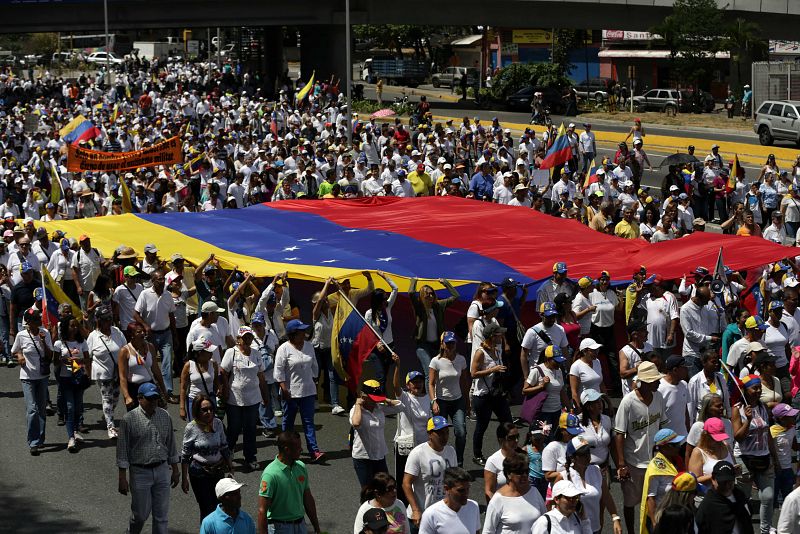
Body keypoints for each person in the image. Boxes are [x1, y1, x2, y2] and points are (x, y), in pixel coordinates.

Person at [116, 382, 180, 534]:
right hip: (140, 472)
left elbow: (171, 444)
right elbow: (122, 450)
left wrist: (175, 470)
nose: (153, 402)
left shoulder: (165, 416)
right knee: (140, 515)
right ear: (140, 398)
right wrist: (122, 478)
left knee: (161, 516)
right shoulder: (129, 419)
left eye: (156, 398)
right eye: (150, 399)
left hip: (162, 470)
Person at [613, 361, 668, 534]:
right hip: (634, 462)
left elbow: (663, 426)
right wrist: (621, 464)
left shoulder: (658, 397)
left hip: (655, 462)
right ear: (645, 382)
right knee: (630, 502)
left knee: (655, 501)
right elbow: (619, 434)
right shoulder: (628, 402)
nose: (659, 382)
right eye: (655, 380)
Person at [731, 374, 778, 534]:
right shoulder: (737, 409)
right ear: (745, 390)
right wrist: (748, 420)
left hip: (764, 457)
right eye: (754, 388)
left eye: (759, 388)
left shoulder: (763, 407)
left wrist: (775, 457)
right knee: (743, 499)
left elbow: (768, 434)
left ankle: (765, 530)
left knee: (768, 496)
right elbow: (737, 436)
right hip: (744, 458)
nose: (758, 391)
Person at [274, 319, 324, 463]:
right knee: (288, 424)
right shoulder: (283, 349)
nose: (304, 333)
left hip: (307, 391)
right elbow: (278, 372)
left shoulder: (309, 346)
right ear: (293, 334)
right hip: (290, 393)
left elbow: (314, 366)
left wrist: (314, 380)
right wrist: (284, 389)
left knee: (309, 423)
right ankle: (285, 450)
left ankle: (314, 451)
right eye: (301, 331)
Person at [221, 326, 270, 471]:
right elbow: (223, 371)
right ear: (238, 339)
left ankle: (250, 457)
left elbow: (261, 376)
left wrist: (265, 395)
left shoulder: (256, 353)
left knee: (250, 429)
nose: (247, 339)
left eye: (249, 337)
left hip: (253, 399)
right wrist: (224, 389)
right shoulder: (231, 353)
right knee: (234, 428)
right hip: (235, 398)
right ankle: (228, 453)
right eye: (245, 337)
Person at [257, 430, 322, 534]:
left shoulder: (301, 467)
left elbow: (307, 498)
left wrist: (317, 528)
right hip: (280, 528)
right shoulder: (270, 474)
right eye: (298, 448)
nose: (301, 449)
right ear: (287, 450)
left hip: (301, 525)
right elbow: (262, 510)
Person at [182, 393, 233, 521]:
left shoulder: (218, 423)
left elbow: (224, 446)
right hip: (199, 474)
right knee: (207, 509)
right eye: (204, 410)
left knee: (220, 506)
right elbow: (185, 455)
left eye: (211, 409)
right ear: (197, 411)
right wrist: (184, 478)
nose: (209, 412)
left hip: (218, 471)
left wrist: (230, 467)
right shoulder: (191, 428)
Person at [403, 416, 458, 529]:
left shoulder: (451, 451)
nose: (445, 436)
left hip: (443, 515)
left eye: (447, 432)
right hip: (422, 516)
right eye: (440, 433)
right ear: (429, 434)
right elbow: (406, 484)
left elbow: (455, 480)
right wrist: (415, 510)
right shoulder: (418, 453)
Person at [133, 269, 178, 403]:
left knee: (167, 364)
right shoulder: (145, 294)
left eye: (163, 279)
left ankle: (167, 392)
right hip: (150, 336)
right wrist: (145, 326)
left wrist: (175, 336)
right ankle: (150, 390)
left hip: (166, 334)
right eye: (159, 279)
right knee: (150, 365)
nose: (162, 281)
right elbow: (135, 314)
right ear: (152, 280)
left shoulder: (168, 295)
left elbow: (171, 315)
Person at [351, 378, 404, 488]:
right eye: (372, 398)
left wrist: (386, 400)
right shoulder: (356, 410)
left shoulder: (380, 408)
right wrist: (357, 405)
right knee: (368, 491)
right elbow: (356, 423)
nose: (375, 401)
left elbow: (400, 406)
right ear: (363, 396)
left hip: (380, 455)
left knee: (385, 488)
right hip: (363, 458)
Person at [471, 323, 512, 465]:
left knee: (507, 423)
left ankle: (508, 450)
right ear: (492, 337)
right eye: (499, 334)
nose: (502, 336)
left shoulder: (497, 350)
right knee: (482, 426)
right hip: (483, 396)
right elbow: (473, 373)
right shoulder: (480, 352)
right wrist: (492, 369)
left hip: (497, 394)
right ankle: (477, 454)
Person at [14, 307, 53, 455]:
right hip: (27, 378)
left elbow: (50, 355)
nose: (39, 321)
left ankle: (40, 438)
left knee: (41, 410)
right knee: (32, 410)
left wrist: (43, 341)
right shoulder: (21, 335)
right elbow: (15, 349)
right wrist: (19, 355)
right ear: (28, 322)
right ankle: (33, 442)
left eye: (39, 318)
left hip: (42, 377)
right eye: (36, 319)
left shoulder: (45, 333)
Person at [429, 331, 469, 467]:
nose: (451, 346)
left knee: (461, 432)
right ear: (442, 345)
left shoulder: (461, 360)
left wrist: (467, 402)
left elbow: (464, 381)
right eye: (448, 343)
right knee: (440, 433)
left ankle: (458, 463)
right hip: (441, 401)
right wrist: (433, 400)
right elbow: (431, 383)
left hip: (457, 401)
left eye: (453, 343)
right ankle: (441, 461)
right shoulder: (436, 361)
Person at [87, 304, 126, 438]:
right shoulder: (93, 336)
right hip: (103, 373)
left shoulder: (116, 331)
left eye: (109, 318)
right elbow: (88, 355)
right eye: (105, 319)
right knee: (107, 398)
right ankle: (111, 426)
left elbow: (125, 349)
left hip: (117, 372)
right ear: (98, 320)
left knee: (115, 398)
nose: (108, 322)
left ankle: (107, 414)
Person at [482, 452, 546, 534]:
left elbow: (544, 520)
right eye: (519, 472)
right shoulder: (498, 500)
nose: (524, 475)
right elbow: (488, 531)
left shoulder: (534, 492)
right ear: (508, 474)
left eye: (527, 471)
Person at [409, 277, 459, 380]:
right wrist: (414, 281)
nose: (430, 296)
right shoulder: (419, 307)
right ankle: (431, 396)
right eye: (427, 294)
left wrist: (445, 283)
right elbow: (411, 293)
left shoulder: (439, 305)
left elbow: (455, 296)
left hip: (437, 345)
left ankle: (435, 393)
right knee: (429, 373)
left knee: (439, 372)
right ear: (423, 296)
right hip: (423, 346)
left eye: (432, 293)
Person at [54, 314, 89, 452]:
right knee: (69, 407)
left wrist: (79, 362)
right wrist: (63, 360)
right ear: (65, 327)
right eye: (72, 325)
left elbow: (88, 359)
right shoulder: (59, 344)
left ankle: (75, 430)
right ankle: (71, 438)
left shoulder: (82, 342)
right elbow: (55, 362)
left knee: (77, 406)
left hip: (79, 378)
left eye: (76, 325)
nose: (74, 328)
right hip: (66, 378)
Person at [640, 429, 685, 534]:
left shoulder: (678, 461)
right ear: (664, 447)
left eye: (678, 443)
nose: (679, 447)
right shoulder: (655, 468)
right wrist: (655, 523)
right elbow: (650, 498)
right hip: (661, 517)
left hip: (677, 514)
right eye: (675, 445)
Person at [118, 322, 169, 411]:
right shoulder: (124, 351)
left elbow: (156, 370)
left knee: (153, 415)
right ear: (132, 335)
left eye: (143, 331)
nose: (143, 333)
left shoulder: (150, 347)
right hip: (134, 389)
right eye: (139, 332)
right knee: (136, 419)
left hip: (150, 386)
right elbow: (122, 377)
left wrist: (164, 389)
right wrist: (127, 396)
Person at [694, 461, 754, 534]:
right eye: (722, 482)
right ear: (713, 480)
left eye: (729, 481)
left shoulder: (739, 495)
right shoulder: (708, 505)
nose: (726, 486)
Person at [418, 467, 480, 534]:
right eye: (461, 490)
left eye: (468, 489)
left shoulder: (474, 506)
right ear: (446, 489)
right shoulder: (430, 514)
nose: (466, 493)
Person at [522, 345, 569, 434]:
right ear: (548, 359)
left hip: (557, 413)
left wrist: (569, 408)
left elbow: (562, 391)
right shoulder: (537, 371)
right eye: (556, 361)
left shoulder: (558, 371)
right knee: (544, 438)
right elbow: (524, 390)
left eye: (560, 361)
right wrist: (541, 386)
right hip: (543, 415)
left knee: (554, 438)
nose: (559, 364)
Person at [180, 337, 221, 421]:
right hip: (194, 401)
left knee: (210, 426)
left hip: (209, 401)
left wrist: (219, 390)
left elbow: (216, 381)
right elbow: (183, 388)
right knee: (195, 427)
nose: (211, 354)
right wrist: (182, 408)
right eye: (208, 352)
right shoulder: (188, 365)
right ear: (199, 353)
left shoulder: (213, 364)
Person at [687, 416, 734, 486]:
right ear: (705, 435)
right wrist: (718, 474)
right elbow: (694, 479)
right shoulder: (698, 452)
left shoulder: (726, 446)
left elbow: (733, 465)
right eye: (715, 438)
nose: (718, 441)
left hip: (728, 492)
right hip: (708, 494)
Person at [482, 422, 521, 502]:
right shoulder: (492, 461)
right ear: (501, 440)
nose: (516, 440)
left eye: (517, 436)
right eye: (511, 438)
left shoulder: (523, 456)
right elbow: (489, 491)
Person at [770, 403, 798, 509]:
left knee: (788, 498)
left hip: (788, 468)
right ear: (782, 419)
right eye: (791, 416)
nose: (794, 417)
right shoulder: (772, 431)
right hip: (775, 469)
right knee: (773, 498)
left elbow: (795, 446)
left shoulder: (792, 429)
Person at [569, 338, 605, 410]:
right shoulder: (576, 366)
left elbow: (601, 384)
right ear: (584, 351)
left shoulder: (597, 362)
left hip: (597, 405)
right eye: (593, 350)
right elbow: (574, 392)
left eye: (597, 350)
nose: (596, 352)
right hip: (584, 406)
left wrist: (609, 403)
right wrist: (579, 409)